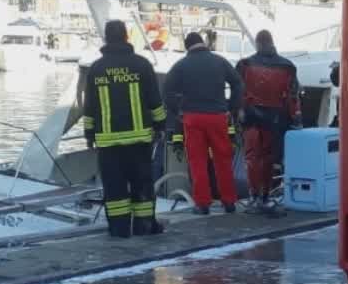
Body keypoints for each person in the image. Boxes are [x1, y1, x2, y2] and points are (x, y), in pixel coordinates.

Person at [80, 19, 168, 237]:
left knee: (115, 189)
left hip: (108, 143)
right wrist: (160, 125)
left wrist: (89, 135)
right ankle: (145, 227)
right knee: (142, 185)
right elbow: (154, 101)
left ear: (106, 39)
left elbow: (89, 106)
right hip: (139, 142)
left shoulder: (96, 69)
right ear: (126, 37)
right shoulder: (142, 65)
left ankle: (119, 230)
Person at [164, 30, 243, 214]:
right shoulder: (219, 61)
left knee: (197, 162)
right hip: (217, 117)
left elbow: (167, 91)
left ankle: (202, 203)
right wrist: (232, 106)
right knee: (222, 160)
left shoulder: (181, 65)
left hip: (193, 118)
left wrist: (179, 111)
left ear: (187, 47)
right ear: (203, 43)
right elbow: (237, 82)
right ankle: (229, 201)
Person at [236, 30, 301, 213]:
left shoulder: (245, 64)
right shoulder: (288, 66)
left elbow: (238, 93)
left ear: (257, 44)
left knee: (252, 157)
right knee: (269, 159)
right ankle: (266, 195)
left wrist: (238, 114)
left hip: (251, 117)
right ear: (272, 42)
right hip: (276, 118)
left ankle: (254, 195)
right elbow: (292, 96)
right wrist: (296, 118)